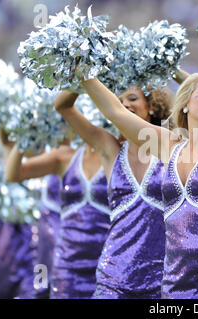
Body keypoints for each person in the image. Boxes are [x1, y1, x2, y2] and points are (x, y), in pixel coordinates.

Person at [81, 68, 198, 298]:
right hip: (176, 288)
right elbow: (116, 112)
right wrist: (82, 71)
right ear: (186, 102)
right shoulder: (169, 146)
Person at [53, 86, 172, 298]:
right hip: (114, 278)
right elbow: (62, 106)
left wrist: (173, 73)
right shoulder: (109, 148)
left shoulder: (171, 149)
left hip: (160, 281)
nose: (125, 104)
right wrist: (85, 67)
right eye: (119, 100)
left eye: (132, 98)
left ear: (152, 105)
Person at [5, 111, 110, 299]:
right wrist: (24, 134)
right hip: (67, 262)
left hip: (105, 262)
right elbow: (13, 174)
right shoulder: (64, 157)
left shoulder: (117, 154)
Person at [0, 129, 37, 299]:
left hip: (39, 238)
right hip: (5, 235)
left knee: (38, 287)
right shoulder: (11, 151)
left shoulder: (53, 155)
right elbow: (6, 138)